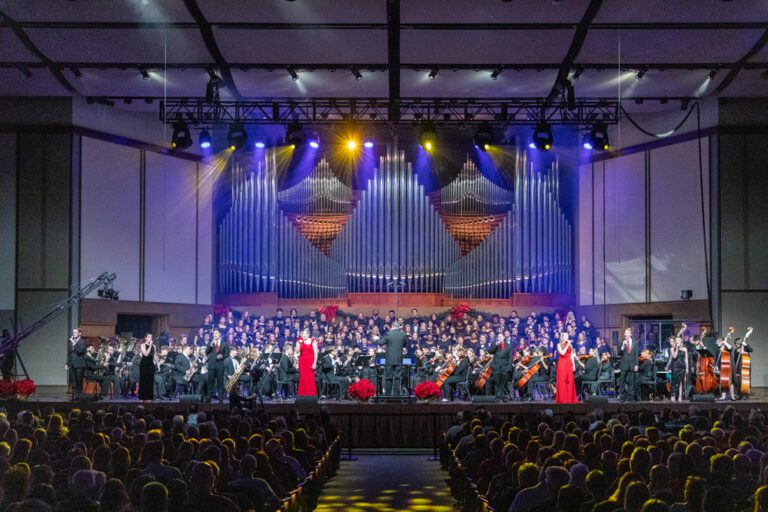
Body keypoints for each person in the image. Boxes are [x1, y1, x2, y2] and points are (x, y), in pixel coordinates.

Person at [376, 321, 407, 396]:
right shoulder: (403, 334)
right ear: (398, 327)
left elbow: (380, 342)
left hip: (389, 359)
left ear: (392, 326)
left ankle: (388, 395)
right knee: (397, 377)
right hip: (399, 359)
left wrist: (376, 339)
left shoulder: (388, 334)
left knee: (388, 377)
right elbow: (405, 344)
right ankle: (396, 395)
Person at [485, 333, 512, 400]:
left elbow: (510, 358)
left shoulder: (509, 346)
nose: (499, 338)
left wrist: (509, 368)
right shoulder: (495, 345)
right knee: (497, 383)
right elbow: (490, 351)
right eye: (498, 337)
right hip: (496, 367)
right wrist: (496, 345)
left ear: (503, 337)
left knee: (504, 383)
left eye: (501, 336)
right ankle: (498, 397)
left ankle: (504, 397)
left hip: (505, 367)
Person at [205, 329, 229, 402]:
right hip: (211, 366)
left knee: (220, 383)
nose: (215, 334)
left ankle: (221, 398)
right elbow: (206, 352)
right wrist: (210, 345)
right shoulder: (210, 343)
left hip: (220, 366)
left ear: (219, 334)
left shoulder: (224, 344)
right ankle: (209, 398)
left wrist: (222, 356)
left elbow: (227, 354)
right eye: (214, 333)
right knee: (210, 383)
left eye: (216, 333)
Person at [617, 327, 639, 402]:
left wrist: (636, 364)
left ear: (630, 334)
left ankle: (631, 397)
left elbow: (636, 354)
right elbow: (618, 353)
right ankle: (622, 397)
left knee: (631, 381)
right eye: (625, 333)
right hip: (624, 364)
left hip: (632, 364)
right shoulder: (621, 342)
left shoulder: (635, 342)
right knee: (622, 381)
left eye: (627, 333)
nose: (625, 334)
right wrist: (622, 346)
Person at [555, 333, 578, 403]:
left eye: (568, 336)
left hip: (568, 363)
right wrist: (567, 345)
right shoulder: (559, 345)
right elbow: (562, 353)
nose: (568, 337)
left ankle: (570, 398)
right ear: (562, 337)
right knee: (563, 380)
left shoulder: (569, 344)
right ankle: (563, 399)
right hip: (562, 363)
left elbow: (571, 355)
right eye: (566, 336)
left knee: (569, 380)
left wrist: (573, 365)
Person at [296, 329, 318, 397]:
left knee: (310, 378)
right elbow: (297, 351)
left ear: (308, 334)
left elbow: (315, 352)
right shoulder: (299, 341)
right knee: (303, 378)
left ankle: (311, 394)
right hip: (302, 362)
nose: (303, 335)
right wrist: (299, 344)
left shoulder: (313, 341)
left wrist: (314, 363)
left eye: (305, 333)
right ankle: (302, 394)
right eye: (302, 333)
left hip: (310, 361)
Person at [667, 334, 689, 402]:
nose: (677, 341)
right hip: (675, 367)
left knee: (680, 383)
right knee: (674, 382)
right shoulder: (672, 348)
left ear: (681, 341)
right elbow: (674, 356)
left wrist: (687, 368)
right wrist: (676, 348)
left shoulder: (685, 349)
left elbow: (686, 359)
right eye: (676, 340)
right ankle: (673, 395)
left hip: (682, 367)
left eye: (678, 340)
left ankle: (680, 396)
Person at [66, 328, 86, 396]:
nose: (74, 334)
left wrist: (74, 343)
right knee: (73, 381)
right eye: (73, 332)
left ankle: (80, 396)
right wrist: (67, 363)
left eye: (76, 332)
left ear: (79, 333)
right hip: (72, 364)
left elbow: (80, 351)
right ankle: (75, 396)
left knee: (79, 381)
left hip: (79, 365)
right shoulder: (71, 342)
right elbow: (70, 354)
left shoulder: (82, 341)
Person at [138, 333, 155, 401]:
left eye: (151, 337)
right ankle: (142, 397)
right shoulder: (142, 345)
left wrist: (158, 364)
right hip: (144, 364)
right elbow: (146, 354)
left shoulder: (154, 346)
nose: (150, 338)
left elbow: (154, 355)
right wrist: (150, 346)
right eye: (149, 337)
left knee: (150, 381)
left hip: (151, 364)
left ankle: (149, 397)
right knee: (143, 381)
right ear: (145, 338)